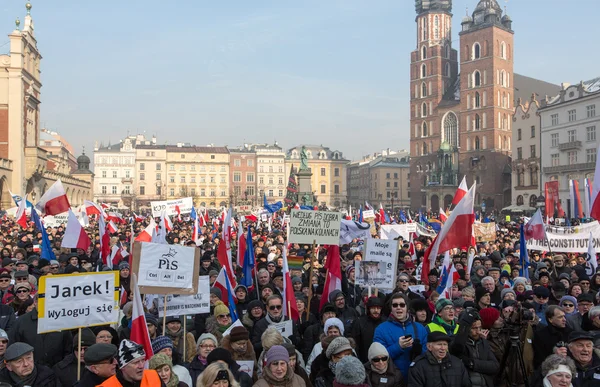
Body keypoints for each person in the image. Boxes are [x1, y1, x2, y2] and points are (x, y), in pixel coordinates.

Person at [373, 293, 428, 378]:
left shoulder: (420, 328)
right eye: (395, 305)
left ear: (407, 308)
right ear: (391, 308)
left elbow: (428, 354)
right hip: (392, 378)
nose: (398, 307)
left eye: (402, 305)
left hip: (416, 377)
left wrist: (419, 351)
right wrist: (398, 347)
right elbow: (378, 357)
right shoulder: (381, 329)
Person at [9, 298, 73, 367]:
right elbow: (12, 347)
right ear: (35, 302)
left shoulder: (61, 322)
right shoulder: (21, 322)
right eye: (44, 301)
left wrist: (61, 367)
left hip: (56, 372)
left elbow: (68, 349)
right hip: (29, 372)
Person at [450, 308, 498, 387]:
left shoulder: (483, 342)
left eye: (479, 327)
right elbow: (457, 348)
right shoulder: (454, 340)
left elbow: (495, 366)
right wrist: (464, 326)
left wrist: (472, 364)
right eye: (474, 328)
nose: (478, 331)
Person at [97, 339, 165, 387]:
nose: (141, 366)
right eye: (136, 362)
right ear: (123, 367)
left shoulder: (154, 376)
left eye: (142, 360)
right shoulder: (107, 386)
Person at [351, 297, 384, 363]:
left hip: (382, 360)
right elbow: (356, 344)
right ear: (368, 309)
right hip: (364, 360)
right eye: (373, 308)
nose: (376, 310)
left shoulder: (385, 322)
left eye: (378, 308)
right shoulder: (360, 322)